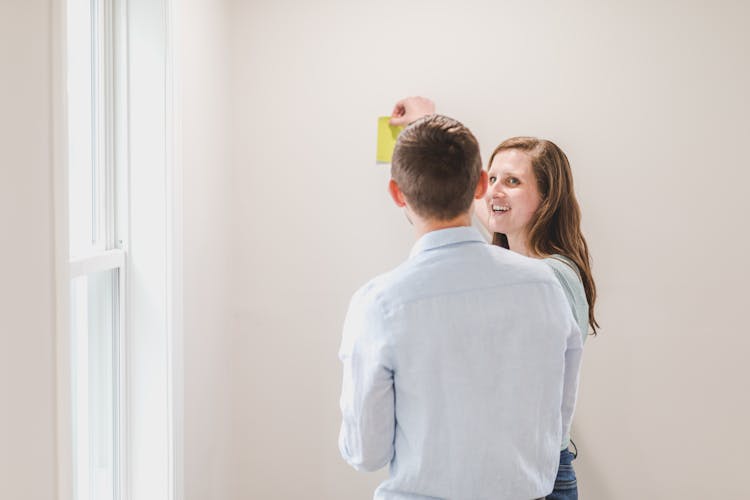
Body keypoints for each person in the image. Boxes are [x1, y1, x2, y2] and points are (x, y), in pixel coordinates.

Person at [338, 114, 583, 499]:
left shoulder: (379, 304)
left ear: (397, 193)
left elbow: (365, 453)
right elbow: (557, 421)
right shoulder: (545, 286)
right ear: (481, 185)